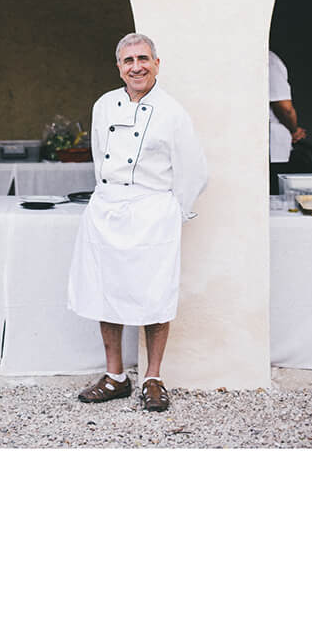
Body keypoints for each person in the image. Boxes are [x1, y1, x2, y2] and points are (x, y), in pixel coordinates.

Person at [67, 32, 208, 412]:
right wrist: (107, 199)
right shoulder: (103, 106)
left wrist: (170, 212)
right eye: (128, 61)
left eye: (143, 59)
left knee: (155, 298)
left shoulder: (174, 112)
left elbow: (194, 170)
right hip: (108, 210)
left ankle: (153, 377)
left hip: (152, 216)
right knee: (104, 293)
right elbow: (100, 157)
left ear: (157, 64)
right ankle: (115, 376)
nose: (136, 67)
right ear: (118, 67)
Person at [268, 49, 307, 194]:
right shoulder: (270, 60)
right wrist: (294, 129)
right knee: (275, 192)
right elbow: (285, 108)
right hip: (273, 143)